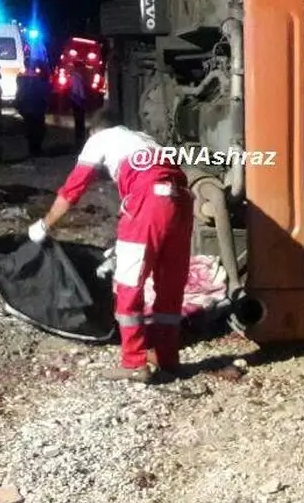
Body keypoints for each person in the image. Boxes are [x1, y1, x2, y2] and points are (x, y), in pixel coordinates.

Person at [29, 109, 193, 383]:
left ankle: (134, 362)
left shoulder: (100, 139)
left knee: (128, 284)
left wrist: (45, 224)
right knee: (169, 286)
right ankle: (167, 356)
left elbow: (73, 188)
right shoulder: (143, 139)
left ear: (95, 130)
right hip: (181, 202)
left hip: (146, 201)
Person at [16, 54, 50, 157]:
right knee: (39, 129)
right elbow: (44, 92)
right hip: (37, 107)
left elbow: (19, 93)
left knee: (30, 128)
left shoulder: (20, 78)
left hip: (25, 107)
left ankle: (32, 149)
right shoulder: (38, 79)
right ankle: (36, 149)